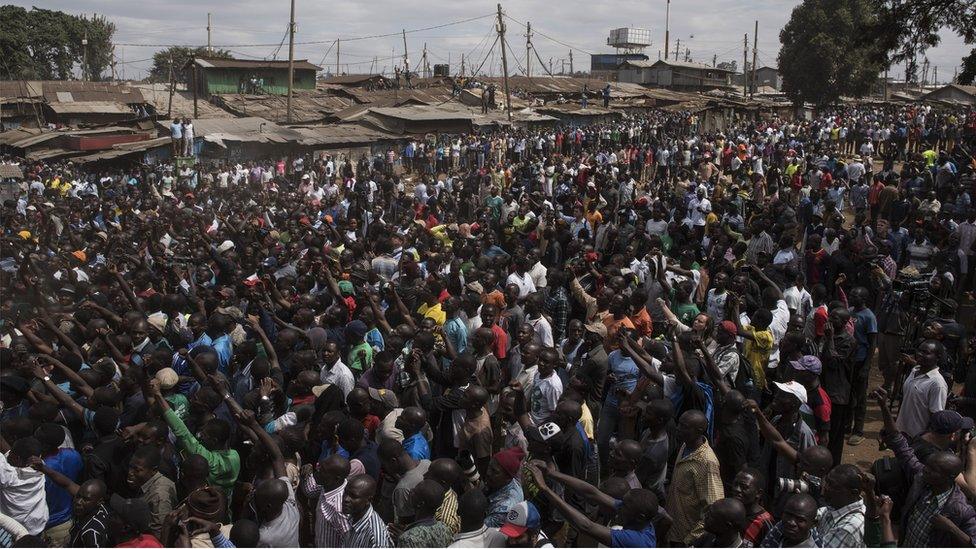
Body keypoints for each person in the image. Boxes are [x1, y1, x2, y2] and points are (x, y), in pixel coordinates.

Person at [666, 410, 725, 545]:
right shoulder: (686, 445)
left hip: (686, 536)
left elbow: (713, 507)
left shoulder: (707, 462)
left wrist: (691, 540)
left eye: (684, 427)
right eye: (679, 424)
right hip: (672, 528)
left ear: (699, 431)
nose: (678, 429)